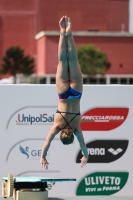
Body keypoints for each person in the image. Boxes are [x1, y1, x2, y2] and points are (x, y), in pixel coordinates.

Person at [40, 16, 88, 169]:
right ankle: (62, 32)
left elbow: (83, 145)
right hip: (62, 94)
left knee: (73, 61)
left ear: (71, 135)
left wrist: (85, 157)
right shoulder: (57, 126)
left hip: (75, 93)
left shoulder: (76, 128)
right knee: (63, 61)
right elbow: (47, 142)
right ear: (61, 135)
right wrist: (43, 157)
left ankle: (69, 33)